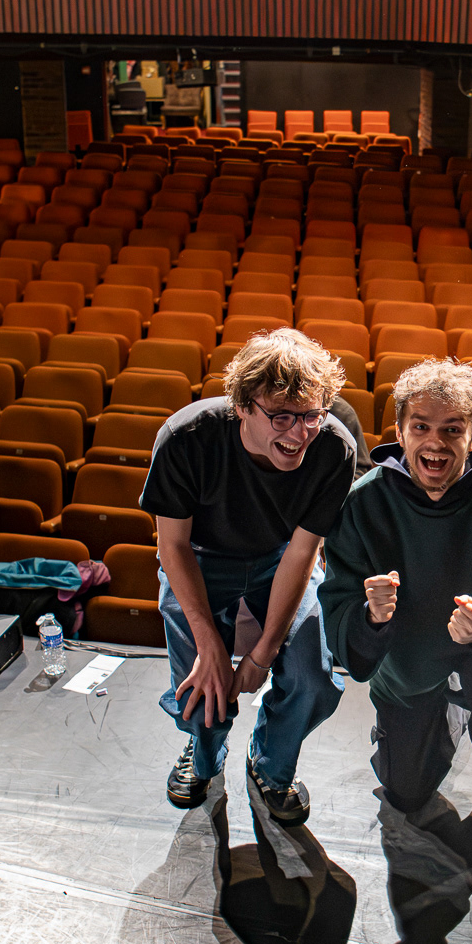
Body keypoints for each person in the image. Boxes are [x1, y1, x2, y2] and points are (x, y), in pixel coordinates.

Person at [322, 358, 472, 834]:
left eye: (452, 429)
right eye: (421, 426)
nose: (435, 442)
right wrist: (369, 617)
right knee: (405, 793)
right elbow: (338, 601)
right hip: (409, 666)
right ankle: (443, 714)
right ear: (399, 431)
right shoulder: (365, 501)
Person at [141, 327, 355, 823]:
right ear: (242, 406)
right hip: (200, 557)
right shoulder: (185, 437)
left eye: (311, 415)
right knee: (201, 683)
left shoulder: (334, 448)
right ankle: (204, 755)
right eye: (281, 416)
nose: (299, 433)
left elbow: (303, 554)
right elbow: (172, 546)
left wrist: (262, 654)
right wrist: (209, 644)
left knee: (312, 677)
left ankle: (271, 766)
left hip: (281, 558)